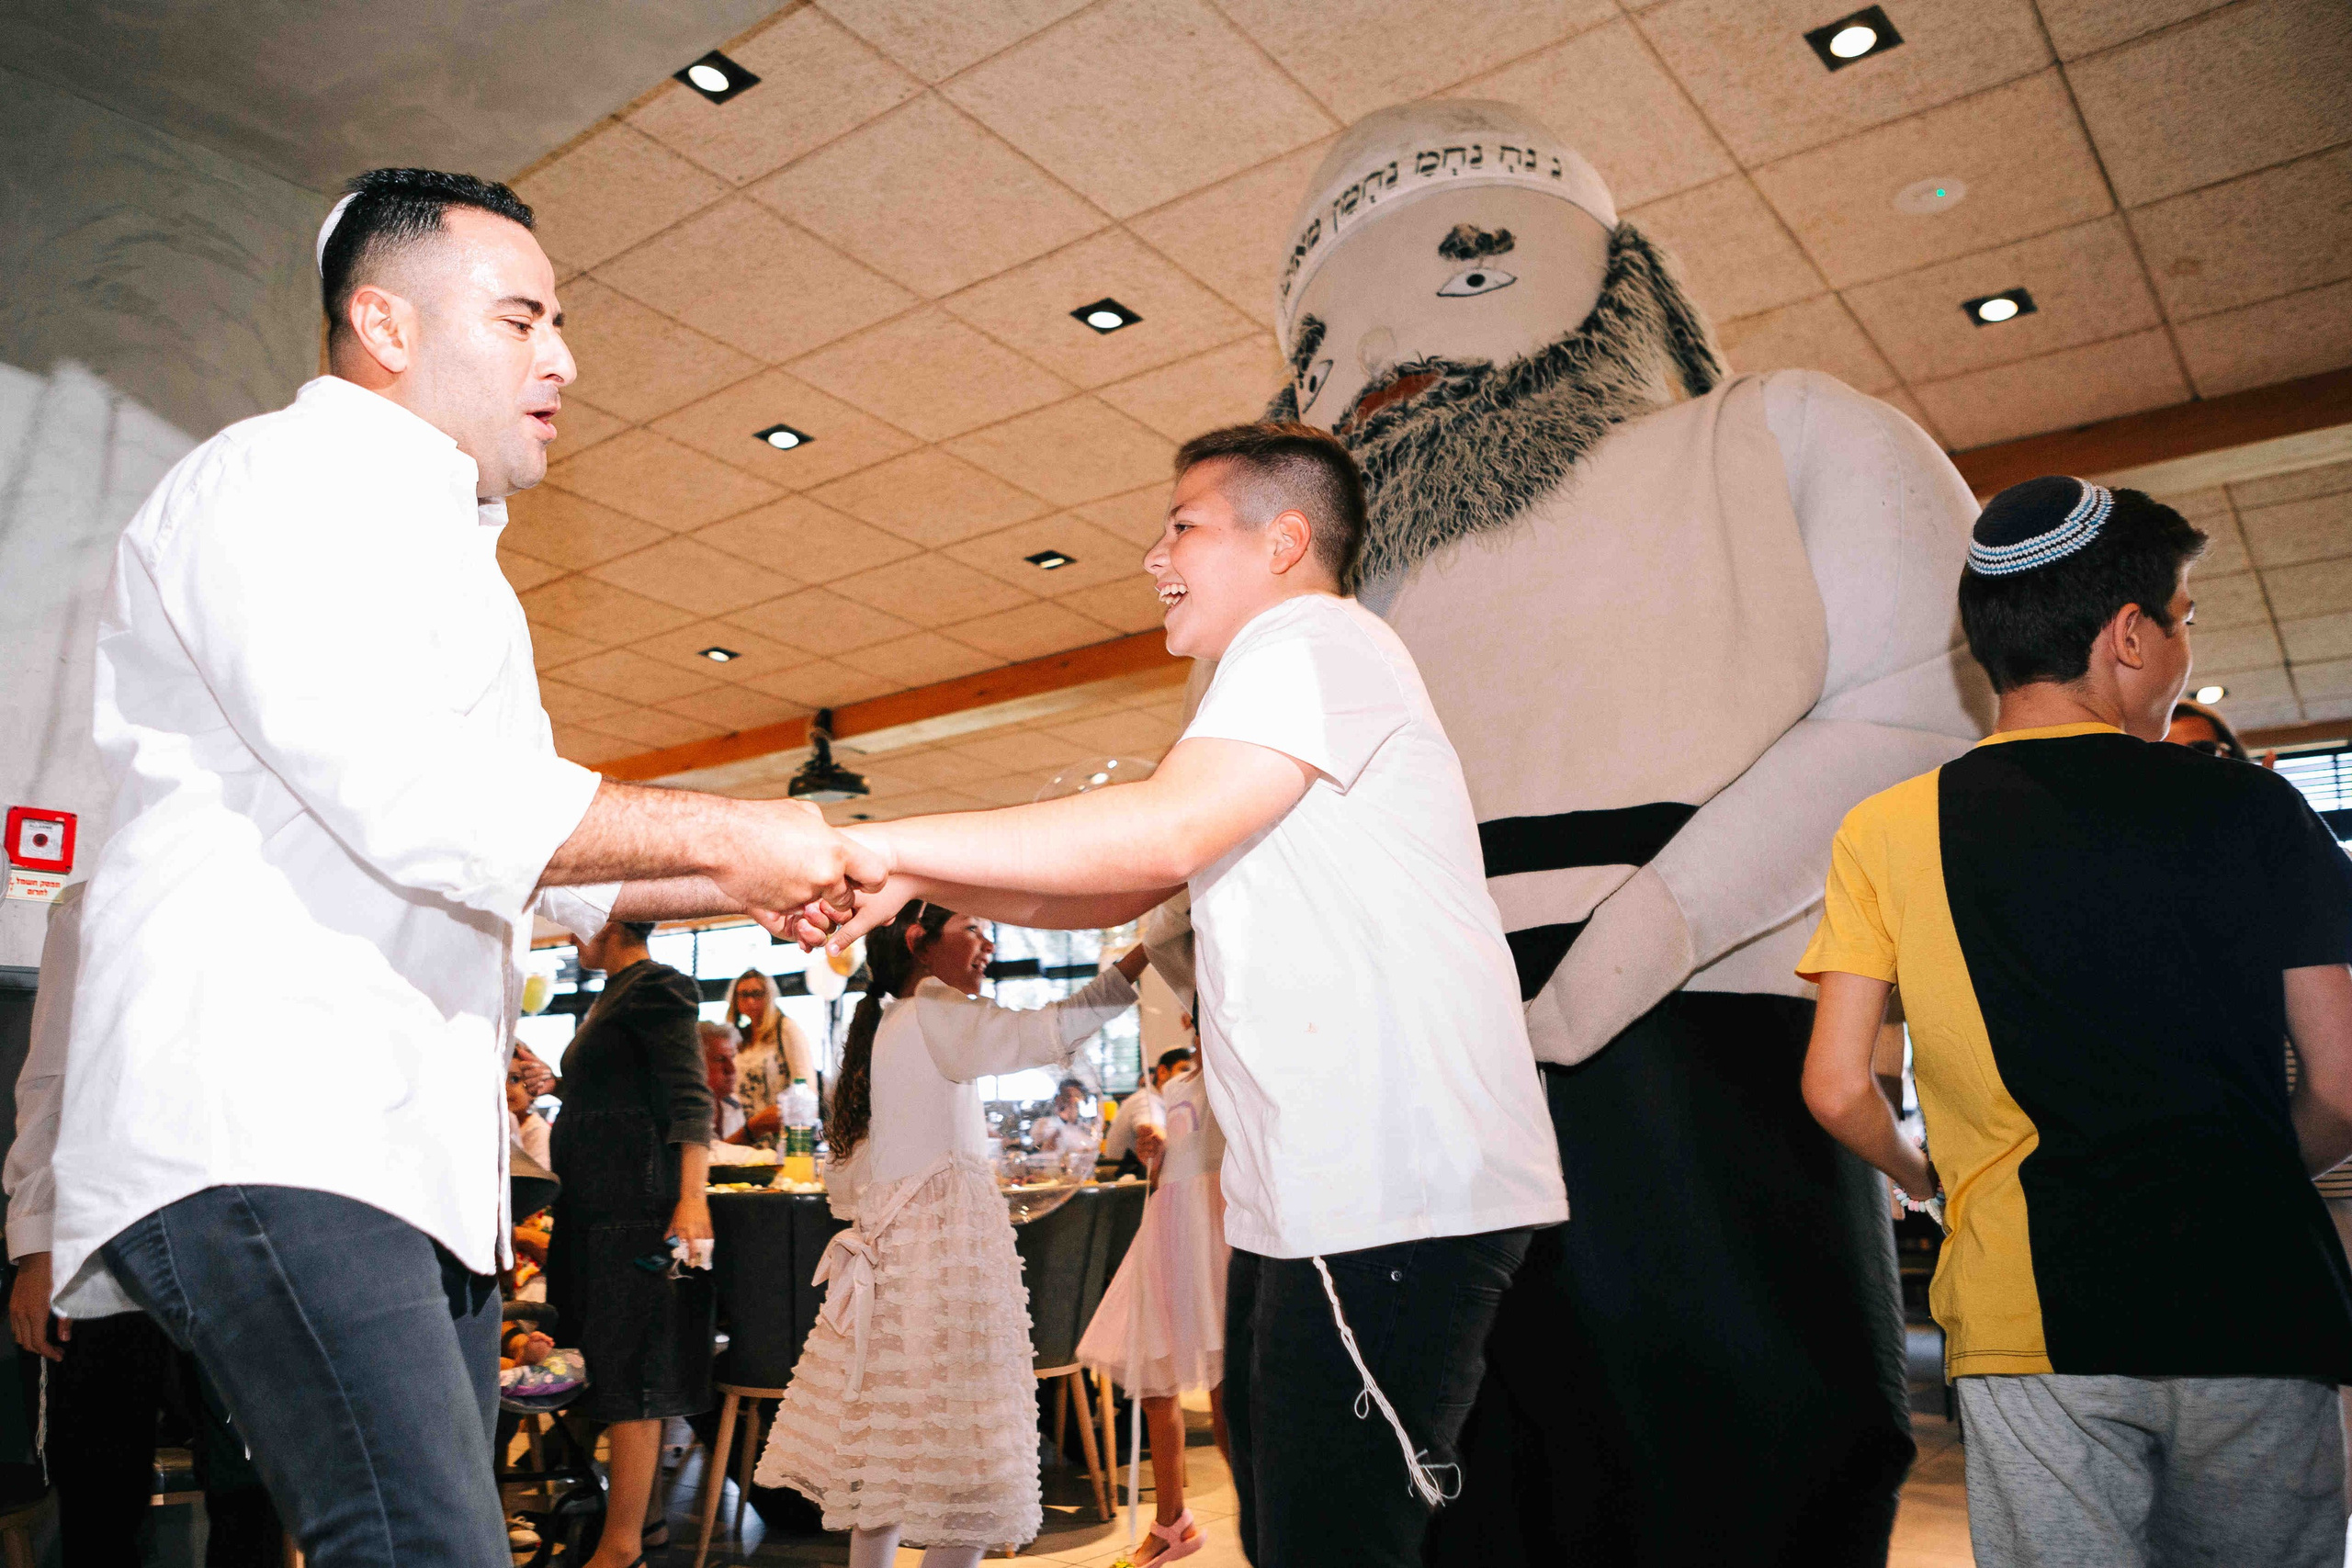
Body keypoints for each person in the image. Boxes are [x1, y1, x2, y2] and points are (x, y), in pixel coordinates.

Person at [54, 165, 881, 1564]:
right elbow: (420, 793)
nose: (562, 357)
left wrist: (745, 874)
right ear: (384, 323)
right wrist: (730, 830)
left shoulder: (454, 563)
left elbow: (538, 871)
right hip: (273, 1120)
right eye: (521, 318)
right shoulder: (277, 479)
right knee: (423, 1541)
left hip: (402, 1163)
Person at [784, 423, 1567, 1566]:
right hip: (1327, 1199)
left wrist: (881, 839)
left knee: (1332, 1537)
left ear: (1286, 540)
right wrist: (904, 873)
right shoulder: (1278, 684)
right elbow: (1120, 890)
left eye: (1183, 526)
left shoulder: (1314, 641)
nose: (1154, 555)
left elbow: (1160, 830)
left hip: (1388, 1191)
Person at [1798, 477, 2352, 1568]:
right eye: (2183, 621)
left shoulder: (1889, 830)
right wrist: (2242, 1168)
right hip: (2257, 1294)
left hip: (2031, 1314)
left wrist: (1926, 1179)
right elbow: (2342, 1087)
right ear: (2130, 637)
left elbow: (1833, 1085)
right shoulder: (2257, 811)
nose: (2183, 649)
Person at [755, 904, 1148, 1568]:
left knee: (887, 1467)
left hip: (901, 1272)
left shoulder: (890, 1022)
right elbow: (1046, 1030)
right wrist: (1141, 955)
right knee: (971, 1471)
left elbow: (849, 1184)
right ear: (920, 941)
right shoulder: (934, 1009)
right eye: (973, 928)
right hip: (949, 1273)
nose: (988, 942)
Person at [6, 886, 284, 1566]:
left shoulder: (287, 889)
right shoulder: (95, 897)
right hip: (109, 1246)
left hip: (250, 1244)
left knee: (252, 1492)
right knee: (99, 1492)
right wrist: (37, 1245)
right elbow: (51, 1078)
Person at [546, 918, 715, 1568]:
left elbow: (689, 1096)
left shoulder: (656, 985)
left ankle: (619, 1550)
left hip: (634, 1211)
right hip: (600, 1209)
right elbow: (622, 1094)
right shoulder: (615, 991)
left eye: (576, 920)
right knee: (616, 1365)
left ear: (609, 919)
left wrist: (690, 1195)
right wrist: (560, 1087)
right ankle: (640, 1528)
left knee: (633, 1375)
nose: (568, 934)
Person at [1078, 1043, 1229, 1563]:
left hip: (1219, 1228)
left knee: (1227, 1388)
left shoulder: (1245, 1073)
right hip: (1171, 1232)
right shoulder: (1178, 1087)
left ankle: (1260, 1517)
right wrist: (1157, 1155)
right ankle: (1171, 1520)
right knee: (1151, 1366)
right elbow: (1170, 1169)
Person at [730, 967, 817, 1147]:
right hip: (744, 1139)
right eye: (743, 995)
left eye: (757, 993)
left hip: (780, 1139)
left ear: (769, 995)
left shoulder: (785, 1029)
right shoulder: (739, 1038)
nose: (750, 1001)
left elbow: (805, 1087)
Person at [701, 1020, 748, 1142]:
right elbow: (708, 1157)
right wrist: (752, 1130)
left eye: (732, 1057)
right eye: (719, 1059)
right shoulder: (687, 1108)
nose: (731, 1069)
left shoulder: (733, 1104)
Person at [1030, 1077, 1093, 1156]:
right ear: (1057, 1099)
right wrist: (1062, 1124)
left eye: (1077, 1096)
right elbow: (1041, 1152)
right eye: (1067, 1096)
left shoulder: (1086, 1127)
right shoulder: (1043, 1124)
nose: (1072, 1100)